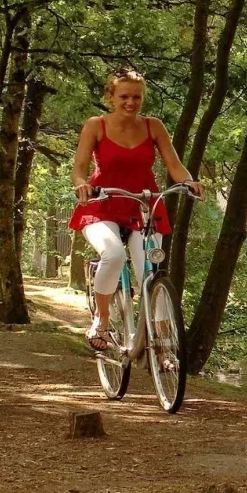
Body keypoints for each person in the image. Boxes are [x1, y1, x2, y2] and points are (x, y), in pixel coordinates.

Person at [69, 68, 200, 350]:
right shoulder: (96, 125)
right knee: (114, 254)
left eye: (137, 97)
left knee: (150, 273)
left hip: (144, 206)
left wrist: (188, 182)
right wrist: (81, 184)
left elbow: (174, 166)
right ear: (111, 96)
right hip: (102, 203)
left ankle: (163, 344)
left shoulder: (154, 126)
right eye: (124, 96)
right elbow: (79, 167)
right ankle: (102, 321)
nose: (131, 102)